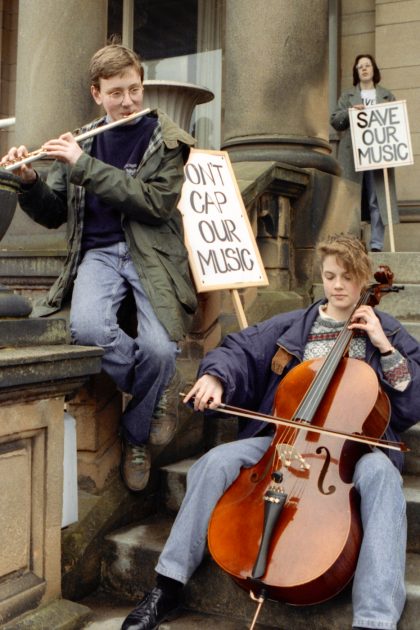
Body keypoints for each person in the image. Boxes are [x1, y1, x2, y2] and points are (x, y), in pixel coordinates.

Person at [121, 233, 420, 630]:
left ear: (364, 279)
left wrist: (384, 347)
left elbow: (412, 399)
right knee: (215, 462)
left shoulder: (389, 332)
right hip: (281, 441)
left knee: (382, 476)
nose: (337, 286)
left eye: (347, 278)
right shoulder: (297, 325)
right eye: (330, 276)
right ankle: (167, 586)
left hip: (350, 452)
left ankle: (375, 620)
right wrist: (215, 377)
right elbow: (239, 349)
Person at [1, 43, 197, 492]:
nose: (128, 101)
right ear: (96, 93)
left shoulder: (165, 140)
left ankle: (134, 436)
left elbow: (154, 203)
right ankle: (160, 390)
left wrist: (84, 166)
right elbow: (53, 213)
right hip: (99, 252)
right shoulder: (80, 140)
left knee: (162, 350)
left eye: (134, 89)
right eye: (116, 93)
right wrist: (29, 181)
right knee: (87, 331)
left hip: (152, 254)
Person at [330, 54, 399, 252]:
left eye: (367, 65)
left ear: (374, 70)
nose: (364, 69)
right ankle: (352, 242)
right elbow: (335, 120)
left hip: (378, 153)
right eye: (360, 67)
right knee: (353, 197)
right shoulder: (348, 96)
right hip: (354, 154)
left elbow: (395, 122)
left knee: (377, 198)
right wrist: (351, 111)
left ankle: (376, 244)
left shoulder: (386, 95)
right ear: (356, 72)